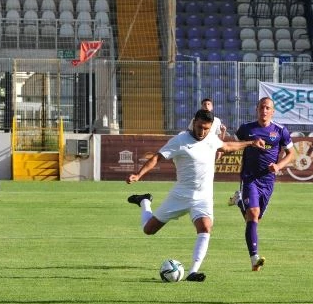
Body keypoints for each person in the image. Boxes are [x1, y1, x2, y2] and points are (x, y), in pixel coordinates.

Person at [127, 109, 264, 281]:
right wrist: (138, 175)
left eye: (206, 128)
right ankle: (145, 201)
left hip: (203, 197)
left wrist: (250, 143)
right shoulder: (180, 140)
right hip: (180, 196)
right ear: (194, 123)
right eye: (200, 127)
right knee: (149, 230)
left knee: (205, 227)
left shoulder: (211, 139)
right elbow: (157, 158)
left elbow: (228, 146)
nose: (202, 131)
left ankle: (192, 271)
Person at [232, 97, 296, 271]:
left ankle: (239, 201)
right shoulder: (246, 129)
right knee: (253, 214)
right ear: (257, 109)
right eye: (261, 107)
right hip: (249, 178)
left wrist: (278, 166)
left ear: (273, 111)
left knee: (254, 219)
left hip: (267, 181)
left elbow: (291, 153)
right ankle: (254, 258)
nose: (264, 111)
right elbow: (234, 144)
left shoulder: (280, 131)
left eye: (268, 108)